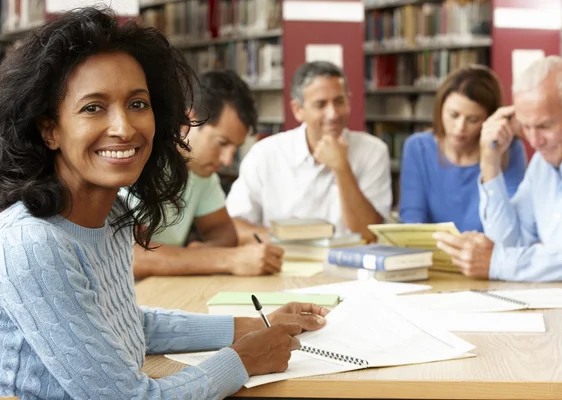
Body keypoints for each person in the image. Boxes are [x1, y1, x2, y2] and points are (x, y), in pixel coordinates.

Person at [0, 7, 328, 399]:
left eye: (138, 104)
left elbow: (128, 324)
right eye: (93, 107)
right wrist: (242, 360)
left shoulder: (113, 214)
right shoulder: (34, 242)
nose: (124, 128)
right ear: (49, 128)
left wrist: (254, 325)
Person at [433, 56, 562, 296]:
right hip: (558, 304)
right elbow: (510, 243)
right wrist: (490, 163)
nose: (534, 141)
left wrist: (499, 262)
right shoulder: (543, 163)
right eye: (526, 127)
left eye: (544, 126)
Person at [124, 70, 284, 279]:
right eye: (222, 143)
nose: (228, 160)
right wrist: (225, 259)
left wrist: (199, 257)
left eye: (235, 148)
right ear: (188, 121)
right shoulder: (137, 162)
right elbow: (130, 256)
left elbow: (223, 233)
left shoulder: (203, 172)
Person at [226, 61, 392, 243]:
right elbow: (233, 226)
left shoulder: (373, 151)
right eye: (321, 105)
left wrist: (342, 168)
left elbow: (369, 234)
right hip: (283, 264)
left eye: (339, 101)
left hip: (349, 265)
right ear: (297, 110)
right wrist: (286, 236)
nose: (333, 114)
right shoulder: (265, 154)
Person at [400, 65, 527, 232]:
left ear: (489, 120)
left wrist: (490, 159)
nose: (460, 128)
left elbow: (509, 226)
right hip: (430, 253)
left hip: (485, 255)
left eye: (473, 119)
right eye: (453, 115)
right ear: (440, 109)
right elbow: (412, 220)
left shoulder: (509, 150)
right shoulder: (418, 148)